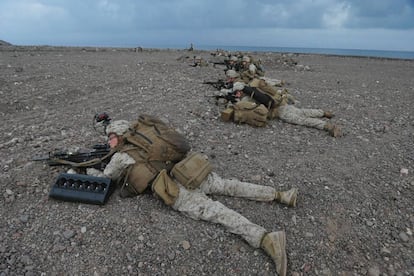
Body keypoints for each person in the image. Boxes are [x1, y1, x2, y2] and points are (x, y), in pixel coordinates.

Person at [86, 116, 298, 276]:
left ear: (117, 137)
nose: (109, 142)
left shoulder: (122, 156)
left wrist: (89, 171)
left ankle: (266, 239)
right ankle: (281, 195)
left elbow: (106, 178)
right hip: (187, 168)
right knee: (227, 185)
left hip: (173, 187)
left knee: (214, 211)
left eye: (110, 138)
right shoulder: (147, 134)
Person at [232, 82, 342, 137]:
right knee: (302, 111)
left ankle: (328, 126)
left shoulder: (247, 98)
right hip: (282, 104)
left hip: (280, 112)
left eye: (236, 92)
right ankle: (323, 112)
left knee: (301, 120)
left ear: (239, 91)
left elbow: (248, 108)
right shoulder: (254, 91)